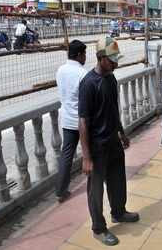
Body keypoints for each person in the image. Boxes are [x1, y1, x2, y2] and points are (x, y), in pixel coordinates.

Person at [78, 37, 139, 246]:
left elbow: (113, 109)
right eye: (112, 60)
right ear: (101, 58)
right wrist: (86, 157)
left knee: (118, 181)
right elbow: (83, 122)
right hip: (96, 147)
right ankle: (99, 228)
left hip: (113, 141)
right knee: (95, 190)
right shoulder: (88, 84)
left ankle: (119, 212)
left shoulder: (111, 79)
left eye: (116, 59)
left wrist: (121, 132)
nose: (116, 63)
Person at [55, 40, 88, 203]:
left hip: (67, 119)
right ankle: (95, 182)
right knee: (90, 152)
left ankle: (61, 191)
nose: (85, 58)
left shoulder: (60, 70)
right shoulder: (83, 73)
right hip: (82, 121)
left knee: (66, 155)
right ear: (79, 55)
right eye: (84, 54)